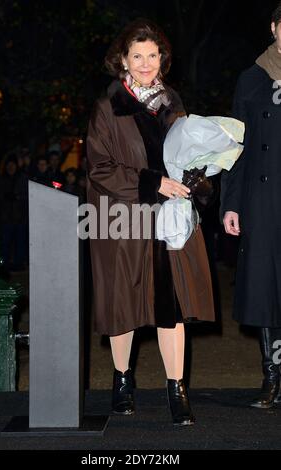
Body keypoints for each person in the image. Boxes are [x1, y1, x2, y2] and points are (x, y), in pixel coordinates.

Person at [86, 19, 215, 426]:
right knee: (124, 304)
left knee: (171, 306)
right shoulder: (108, 107)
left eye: (153, 55)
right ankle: (122, 380)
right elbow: (99, 168)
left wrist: (198, 178)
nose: (146, 63)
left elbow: (187, 153)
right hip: (125, 220)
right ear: (122, 60)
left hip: (171, 221)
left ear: (163, 59)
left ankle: (176, 389)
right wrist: (152, 182)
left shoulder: (172, 101)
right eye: (137, 55)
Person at [221, 2, 281, 409]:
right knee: (266, 289)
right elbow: (235, 146)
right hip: (262, 199)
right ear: (276, 28)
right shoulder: (253, 77)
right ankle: (273, 377)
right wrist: (231, 204)